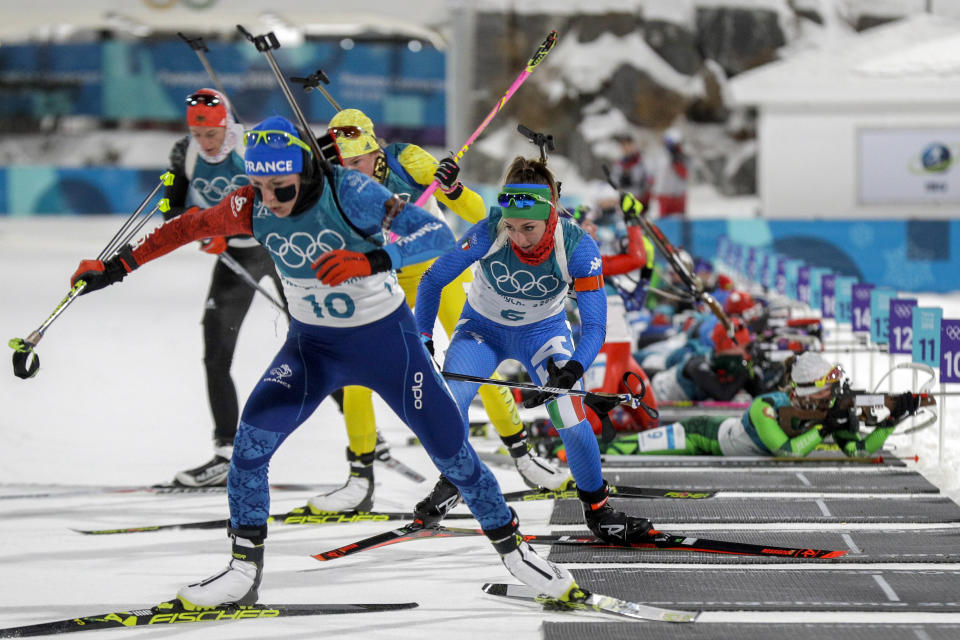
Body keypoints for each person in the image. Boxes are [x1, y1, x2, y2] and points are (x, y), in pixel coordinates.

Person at [70, 116, 580, 609]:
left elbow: (435, 235)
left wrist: (372, 260)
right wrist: (115, 267)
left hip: (388, 348)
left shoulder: (349, 192)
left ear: (307, 172)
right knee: (248, 449)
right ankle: (242, 572)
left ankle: (517, 555)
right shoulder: (252, 202)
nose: (272, 200)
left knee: (454, 457)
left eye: (284, 189)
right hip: (312, 350)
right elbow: (186, 226)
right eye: (261, 186)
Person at [308, 109, 565, 514]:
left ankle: (523, 457)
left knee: (475, 363)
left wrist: (452, 187)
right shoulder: (338, 185)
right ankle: (360, 479)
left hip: (436, 269)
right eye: (344, 164)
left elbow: (480, 213)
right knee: (355, 370)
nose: (351, 171)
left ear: (375, 152)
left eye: (357, 162)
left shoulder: (407, 161)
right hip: (385, 277)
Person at [412, 155, 654, 545]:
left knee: (570, 418)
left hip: (542, 334)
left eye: (529, 228)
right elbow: (431, 279)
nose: (519, 238)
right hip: (482, 332)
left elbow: (594, 326)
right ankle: (456, 479)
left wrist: (572, 370)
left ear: (551, 217)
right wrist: (423, 337)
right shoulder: (490, 230)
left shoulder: (577, 246)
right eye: (512, 227)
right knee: (445, 408)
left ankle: (598, 510)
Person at [162, 88, 288, 487]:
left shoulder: (251, 150)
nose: (205, 142)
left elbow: (283, 201)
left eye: (212, 134)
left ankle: (363, 443)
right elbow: (172, 207)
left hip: (280, 248)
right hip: (233, 258)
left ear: (227, 125)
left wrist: (224, 225)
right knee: (215, 352)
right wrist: (199, 222)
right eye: (198, 135)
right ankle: (226, 452)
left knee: (317, 341)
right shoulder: (187, 152)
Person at [574, 351, 920, 457]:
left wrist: (894, 417)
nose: (835, 395)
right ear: (808, 389)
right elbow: (786, 451)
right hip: (702, 437)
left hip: (724, 442)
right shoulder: (767, 405)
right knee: (624, 449)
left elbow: (859, 452)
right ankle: (568, 449)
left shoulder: (822, 411)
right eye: (828, 388)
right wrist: (825, 426)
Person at [608, 134, 652, 211]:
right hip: (625, 200)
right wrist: (619, 180)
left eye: (628, 145)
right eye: (623, 146)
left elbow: (649, 179)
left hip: (641, 200)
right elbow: (614, 181)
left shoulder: (641, 161)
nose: (626, 148)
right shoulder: (619, 164)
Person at [655, 128, 688, 217]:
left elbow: (685, 175)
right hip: (664, 197)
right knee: (664, 224)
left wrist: (677, 162)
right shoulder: (661, 157)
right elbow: (657, 177)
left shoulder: (683, 158)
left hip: (678, 197)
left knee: (679, 223)